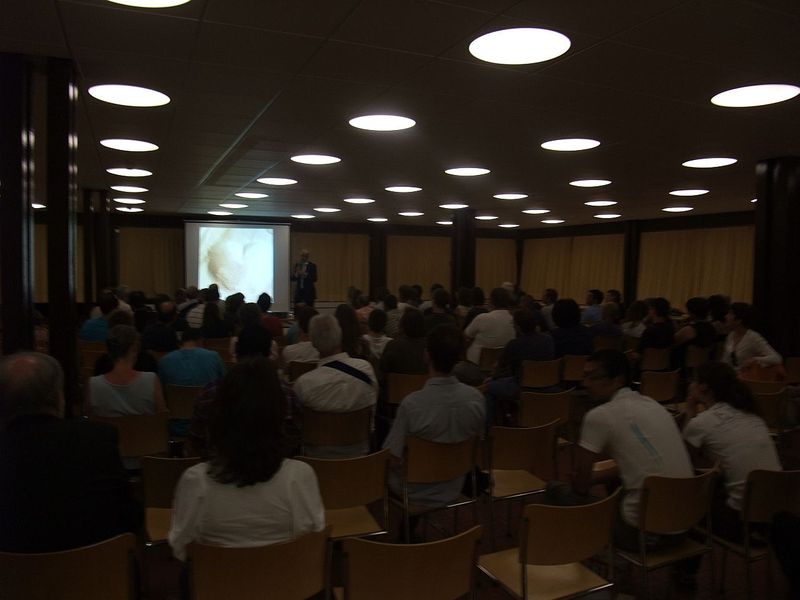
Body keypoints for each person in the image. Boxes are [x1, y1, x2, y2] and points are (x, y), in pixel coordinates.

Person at [169, 357, 325, 562]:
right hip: (286, 577)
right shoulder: (299, 476)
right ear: (279, 414)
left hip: (217, 579)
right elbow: (313, 539)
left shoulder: (195, 481)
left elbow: (181, 548)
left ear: (219, 414)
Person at [0, 352, 142, 553]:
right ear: (58, 396)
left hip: (13, 572)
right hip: (97, 567)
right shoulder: (97, 438)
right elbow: (128, 515)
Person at [572, 349, 693, 551]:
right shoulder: (654, 405)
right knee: (617, 486)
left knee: (557, 493)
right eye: (584, 376)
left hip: (642, 532)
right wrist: (598, 477)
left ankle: (570, 559)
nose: (585, 384)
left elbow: (580, 484)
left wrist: (586, 480)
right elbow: (645, 464)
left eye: (593, 377)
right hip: (684, 527)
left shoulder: (599, 416)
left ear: (618, 380)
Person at [383, 324, 485, 510]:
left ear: (427, 355)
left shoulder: (411, 405)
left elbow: (392, 458)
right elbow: (477, 444)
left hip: (411, 488)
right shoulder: (476, 399)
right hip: (455, 482)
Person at [682, 362, 781, 541]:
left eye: (693, 380)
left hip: (741, 519)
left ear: (703, 387)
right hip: (776, 515)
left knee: (688, 504)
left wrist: (690, 409)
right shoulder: (752, 415)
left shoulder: (703, 423)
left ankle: (689, 558)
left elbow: (685, 459)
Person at [294, 314, 378, 457]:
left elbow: (299, 425)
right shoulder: (366, 370)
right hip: (360, 456)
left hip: (317, 459)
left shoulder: (303, 384)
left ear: (313, 342)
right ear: (340, 336)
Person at [88, 325, 166, 417]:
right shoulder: (151, 380)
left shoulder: (93, 384)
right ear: (134, 349)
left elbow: (89, 418)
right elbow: (162, 417)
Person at [722, 302, 782, 373]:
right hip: (730, 376)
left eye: (730, 314)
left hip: (745, 377)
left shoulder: (753, 337)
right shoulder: (731, 335)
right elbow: (725, 361)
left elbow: (777, 358)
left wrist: (755, 360)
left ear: (739, 320)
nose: (726, 316)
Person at [464, 287, 515, 365]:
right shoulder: (514, 320)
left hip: (476, 363)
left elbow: (466, 335)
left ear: (491, 301)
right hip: (502, 365)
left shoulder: (482, 318)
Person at [158, 328, 225, 387]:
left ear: (182, 341)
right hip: (208, 396)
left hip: (175, 397)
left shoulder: (164, 360)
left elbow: (161, 385)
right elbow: (224, 379)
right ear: (201, 340)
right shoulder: (213, 356)